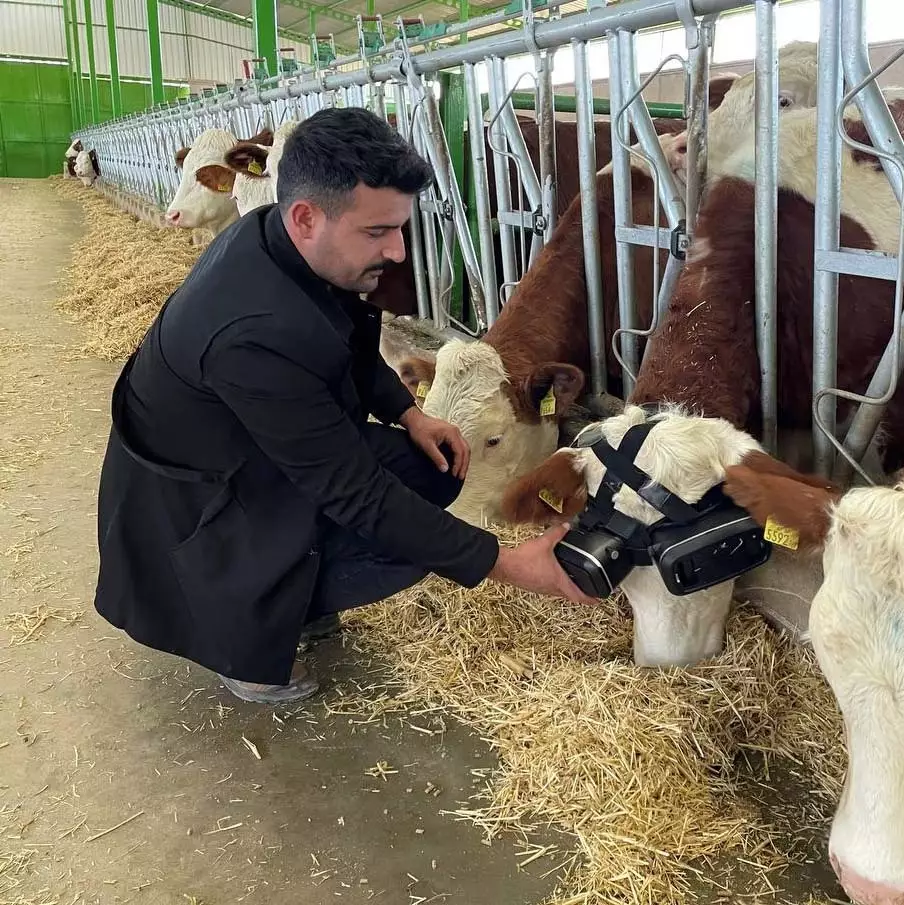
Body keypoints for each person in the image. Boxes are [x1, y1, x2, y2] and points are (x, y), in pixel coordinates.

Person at [92, 107, 593, 705]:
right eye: (378, 232)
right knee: (381, 506)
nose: (400, 252)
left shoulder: (286, 244)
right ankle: (240, 645)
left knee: (431, 469)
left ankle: (297, 597)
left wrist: (412, 414)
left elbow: (355, 343)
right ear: (306, 216)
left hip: (253, 456)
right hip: (195, 507)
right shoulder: (253, 334)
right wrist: (508, 565)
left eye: (401, 229)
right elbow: (351, 490)